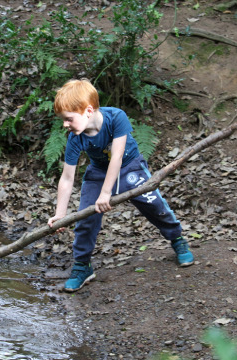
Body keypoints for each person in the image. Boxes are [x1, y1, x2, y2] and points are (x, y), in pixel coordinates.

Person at [47, 79, 194, 293]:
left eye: (68, 119)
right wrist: (60, 214)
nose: (65, 125)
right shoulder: (74, 138)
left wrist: (106, 194)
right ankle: (82, 266)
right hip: (98, 173)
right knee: (86, 218)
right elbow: (67, 178)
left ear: (88, 110)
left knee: (155, 206)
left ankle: (177, 238)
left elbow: (117, 157)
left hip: (129, 166)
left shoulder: (116, 117)